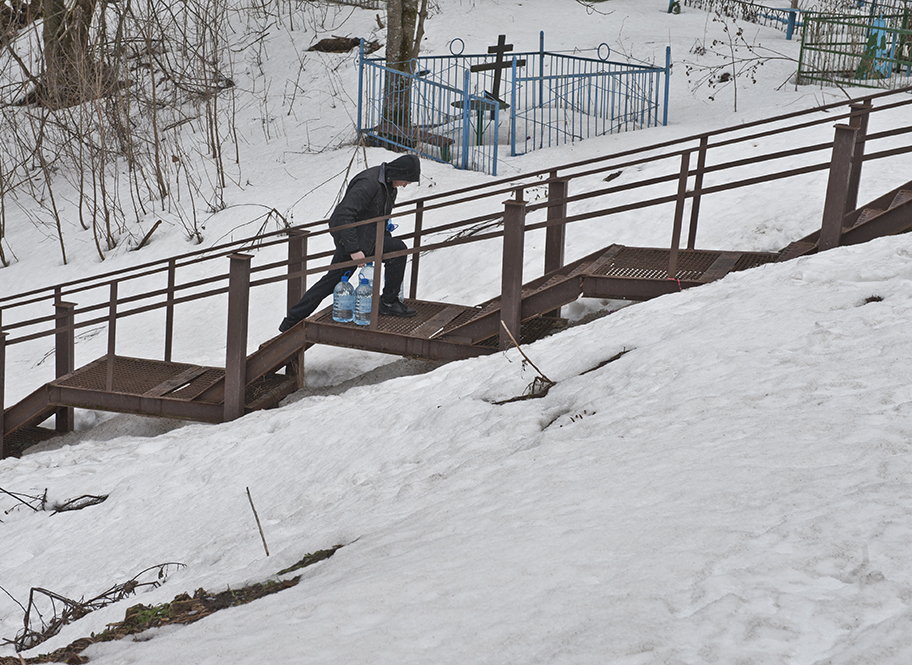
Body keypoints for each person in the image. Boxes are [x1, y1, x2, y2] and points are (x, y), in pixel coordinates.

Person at [279, 154, 420, 332]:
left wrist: (384, 232)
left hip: (367, 238)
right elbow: (341, 216)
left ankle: (389, 301)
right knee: (330, 283)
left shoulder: (388, 184)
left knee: (396, 251)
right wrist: (354, 249)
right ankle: (291, 321)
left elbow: (376, 214)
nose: (406, 185)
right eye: (406, 180)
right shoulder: (369, 184)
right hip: (354, 241)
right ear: (399, 172)